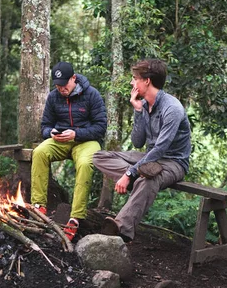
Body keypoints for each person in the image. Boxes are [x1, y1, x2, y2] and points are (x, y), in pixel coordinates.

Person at [93, 59, 191, 243]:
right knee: (99, 156)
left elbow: (161, 148)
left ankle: (121, 229)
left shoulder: (172, 108)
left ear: (147, 81)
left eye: (135, 78)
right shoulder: (146, 105)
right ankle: (137, 179)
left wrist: (130, 173)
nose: (132, 83)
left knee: (149, 180)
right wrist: (138, 111)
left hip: (173, 162)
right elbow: (137, 142)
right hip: (149, 158)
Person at [31, 61, 107, 241]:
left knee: (85, 163)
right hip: (60, 140)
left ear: (74, 78)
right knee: (40, 152)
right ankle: (38, 206)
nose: (61, 89)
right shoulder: (53, 96)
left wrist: (76, 133)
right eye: (58, 85)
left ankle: (75, 217)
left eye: (64, 84)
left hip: (86, 141)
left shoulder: (92, 95)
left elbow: (100, 128)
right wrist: (50, 132)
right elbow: (45, 126)